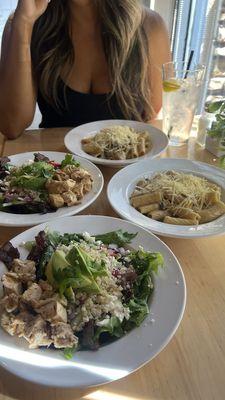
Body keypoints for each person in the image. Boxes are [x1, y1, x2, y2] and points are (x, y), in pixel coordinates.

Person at [0, 0, 171, 139]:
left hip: (126, 175)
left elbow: (152, 114)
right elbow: (11, 126)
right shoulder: (22, 23)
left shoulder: (150, 26)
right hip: (59, 174)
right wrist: (24, 24)